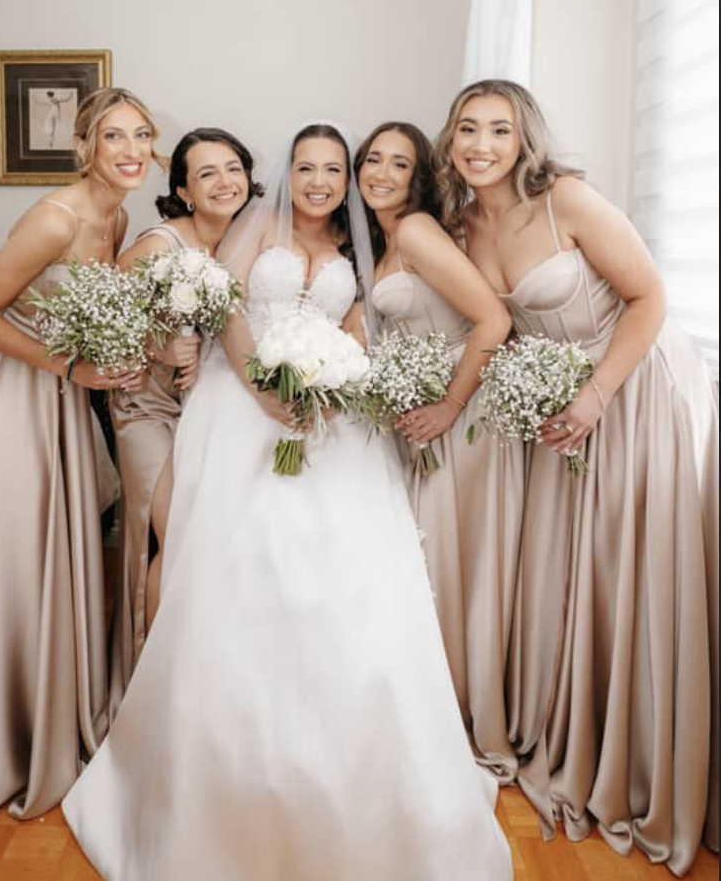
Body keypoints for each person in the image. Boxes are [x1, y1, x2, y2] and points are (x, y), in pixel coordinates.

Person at [62, 123, 514, 881]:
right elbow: (230, 313)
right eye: (306, 166)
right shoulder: (254, 228)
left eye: (333, 168)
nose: (318, 180)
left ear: (347, 178)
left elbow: (361, 327)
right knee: (233, 574)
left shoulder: (363, 245)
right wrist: (262, 388)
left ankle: (358, 779)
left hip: (334, 416)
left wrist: (333, 377)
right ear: (288, 172)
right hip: (240, 406)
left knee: (343, 587)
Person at [436, 78, 719, 876]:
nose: (482, 145)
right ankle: (578, 735)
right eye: (467, 129)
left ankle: (639, 758)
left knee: (630, 565)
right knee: (572, 571)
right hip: (558, 407)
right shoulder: (461, 222)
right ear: (450, 140)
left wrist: (597, 394)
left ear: (525, 139)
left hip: (634, 390)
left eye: (499, 129)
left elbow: (649, 296)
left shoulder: (568, 200)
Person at [0, 87, 160, 823]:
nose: (133, 151)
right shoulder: (55, 216)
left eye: (143, 135)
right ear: (84, 147)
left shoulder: (121, 214)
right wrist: (75, 370)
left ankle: (64, 707)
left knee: (65, 545)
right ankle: (20, 736)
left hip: (64, 387)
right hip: (18, 390)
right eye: (115, 137)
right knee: (26, 548)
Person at [356, 121, 522, 782]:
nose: (382, 173)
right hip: (429, 415)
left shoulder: (418, 231)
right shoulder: (386, 240)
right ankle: (433, 705)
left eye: (400, 164)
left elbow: (494, 320)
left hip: (463, 416)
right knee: (433, 566)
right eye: (373, 159)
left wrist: (450, 405)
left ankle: (456, 714)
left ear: (419, 177)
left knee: (450, 565)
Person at [109, 127, 262, 712]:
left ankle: (201, 684)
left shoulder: (247, 240)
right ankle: (149, 695)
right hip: (147, 408)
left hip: (208, 407)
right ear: (183, 192)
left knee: (212, 540)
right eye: (207, 174)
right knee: (175, 540)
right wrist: (156, 344)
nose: (225, 182)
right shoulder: (159, 245)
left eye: (233, 168)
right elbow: (98, 324)